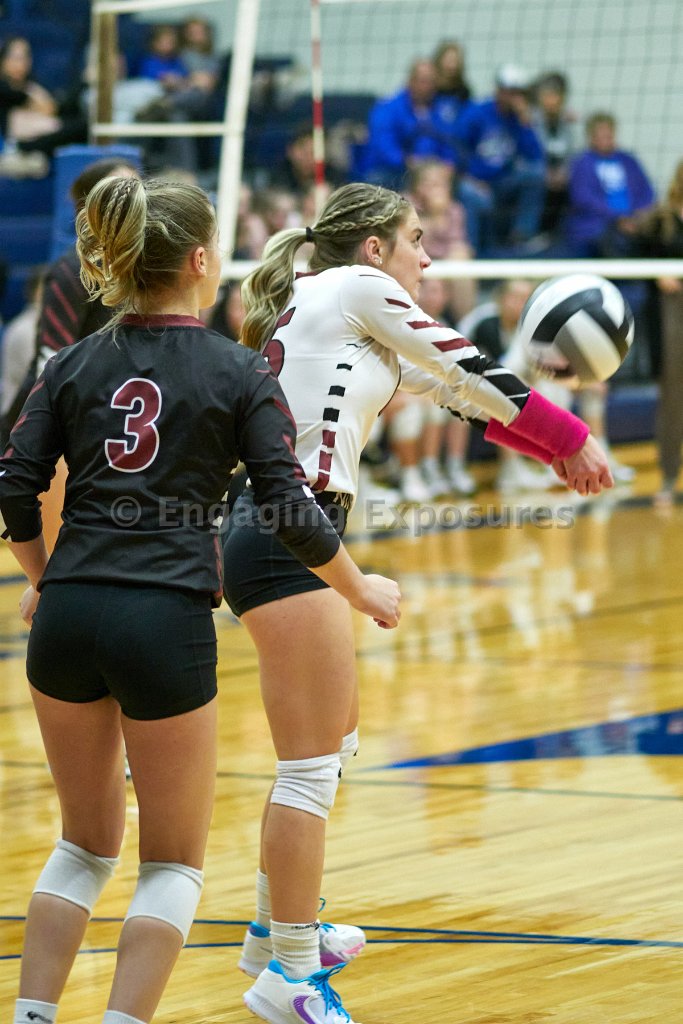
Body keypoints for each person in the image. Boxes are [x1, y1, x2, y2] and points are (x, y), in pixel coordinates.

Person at [0, 175, 401, 1024]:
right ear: (197, 261)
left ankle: (32, 1015)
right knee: (171, 865)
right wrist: (358, 585)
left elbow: (14, 486)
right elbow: (288, 507)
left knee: (81, 847)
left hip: (66, 617)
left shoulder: (70, 362)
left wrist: (40, 578)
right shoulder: (237, 368)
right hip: (162, 621)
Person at [221, 181, 613, 1024]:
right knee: (308, 769)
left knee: (335, 743)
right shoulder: (358, 289)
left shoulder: (337, 308)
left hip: (294, 530)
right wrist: (572, 436)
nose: (427, 259)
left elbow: (459, 394)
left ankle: (271, 928)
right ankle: (290, 972)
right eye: (416, 239)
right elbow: (469, 364)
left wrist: (548, 451)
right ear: (374, 248)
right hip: (286, 531)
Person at [452, 64, 545, 255]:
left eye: (518, 93)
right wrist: (473, 179)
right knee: (470, 194)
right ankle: (472, 252)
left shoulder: (519, 119)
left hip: (503, 180)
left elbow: (535, 156)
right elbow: (457, 151)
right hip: (475, 180)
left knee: (535, 174)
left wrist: (525, 122)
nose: (512, 97)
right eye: (509, 91)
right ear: (499, 90)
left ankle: (521, 237)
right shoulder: (477, 114)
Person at [636, 159, 683, 504]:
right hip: (671, 309)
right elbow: (636, 257)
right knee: (673, 396)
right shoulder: (660, 220)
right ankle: (668, 477)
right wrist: (657, 274)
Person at [564, 111, 656, 258]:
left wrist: (637, 216)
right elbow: (582, 198)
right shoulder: (581, 163)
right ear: (591, 138)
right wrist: (618, 218)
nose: (606, 140)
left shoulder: (628, 160)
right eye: (601, 136)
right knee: (612, 239)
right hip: (599, 224)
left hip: (634, 220)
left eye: (609, 135)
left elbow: (647, 192)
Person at [363, 59, 456, 189]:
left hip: (432, 174)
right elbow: (383, 147)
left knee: (468, 193)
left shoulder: (442, 111)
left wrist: (448, 164)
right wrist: (407, 161)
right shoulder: (388, 108)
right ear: (410, 81)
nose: (429, 86)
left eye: (432, 81)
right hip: (393, 172)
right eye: (424, 81)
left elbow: (449, 143)